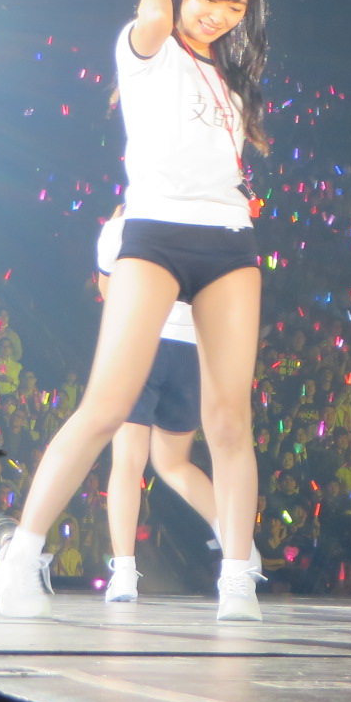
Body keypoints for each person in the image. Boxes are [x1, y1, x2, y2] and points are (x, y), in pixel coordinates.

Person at [0, 0, 268, 620]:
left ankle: (237, 576)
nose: (218, 16)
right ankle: (20, 556)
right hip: (155, 234)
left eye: (234, 8)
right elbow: (153, 19)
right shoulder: (147, 49)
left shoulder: (230, 80)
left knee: (230, 420)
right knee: (106, 408)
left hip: (228, 240)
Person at [96, 208, 258, 602]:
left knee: (127, 462)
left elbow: (108, 291)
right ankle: (235, 540)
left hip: (142, 342)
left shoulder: (120, 226)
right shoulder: (213, 214)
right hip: (192, 351)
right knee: (171, 462)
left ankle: (124, 572)